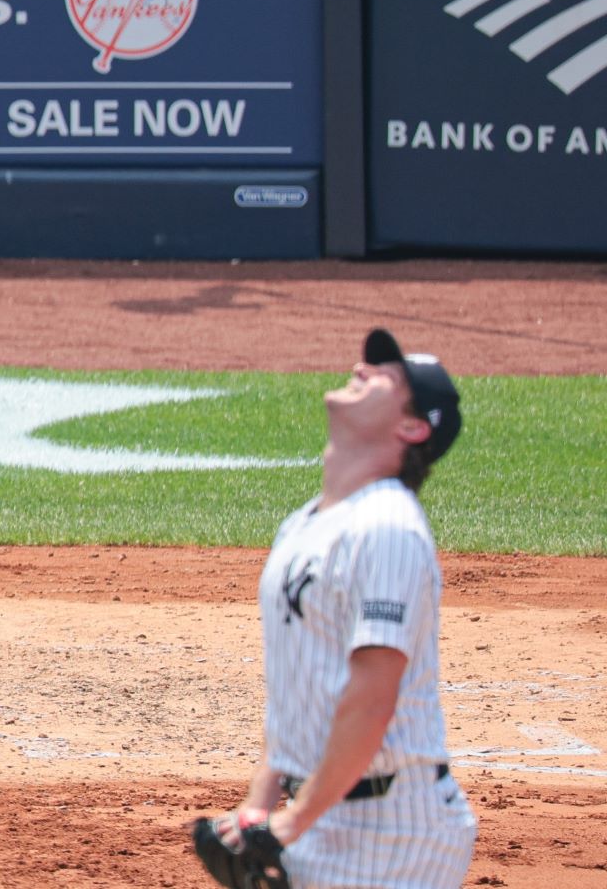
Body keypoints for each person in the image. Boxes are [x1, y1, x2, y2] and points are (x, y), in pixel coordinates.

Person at [192, 329, 476, 889]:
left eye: (387, 375)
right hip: (322, 815)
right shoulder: (303, 524)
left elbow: (371, 700)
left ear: (412, 427)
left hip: (390, 833)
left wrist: (288, 824)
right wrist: (259, 807)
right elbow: (302, 691)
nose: (363, 368)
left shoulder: (388, 528)